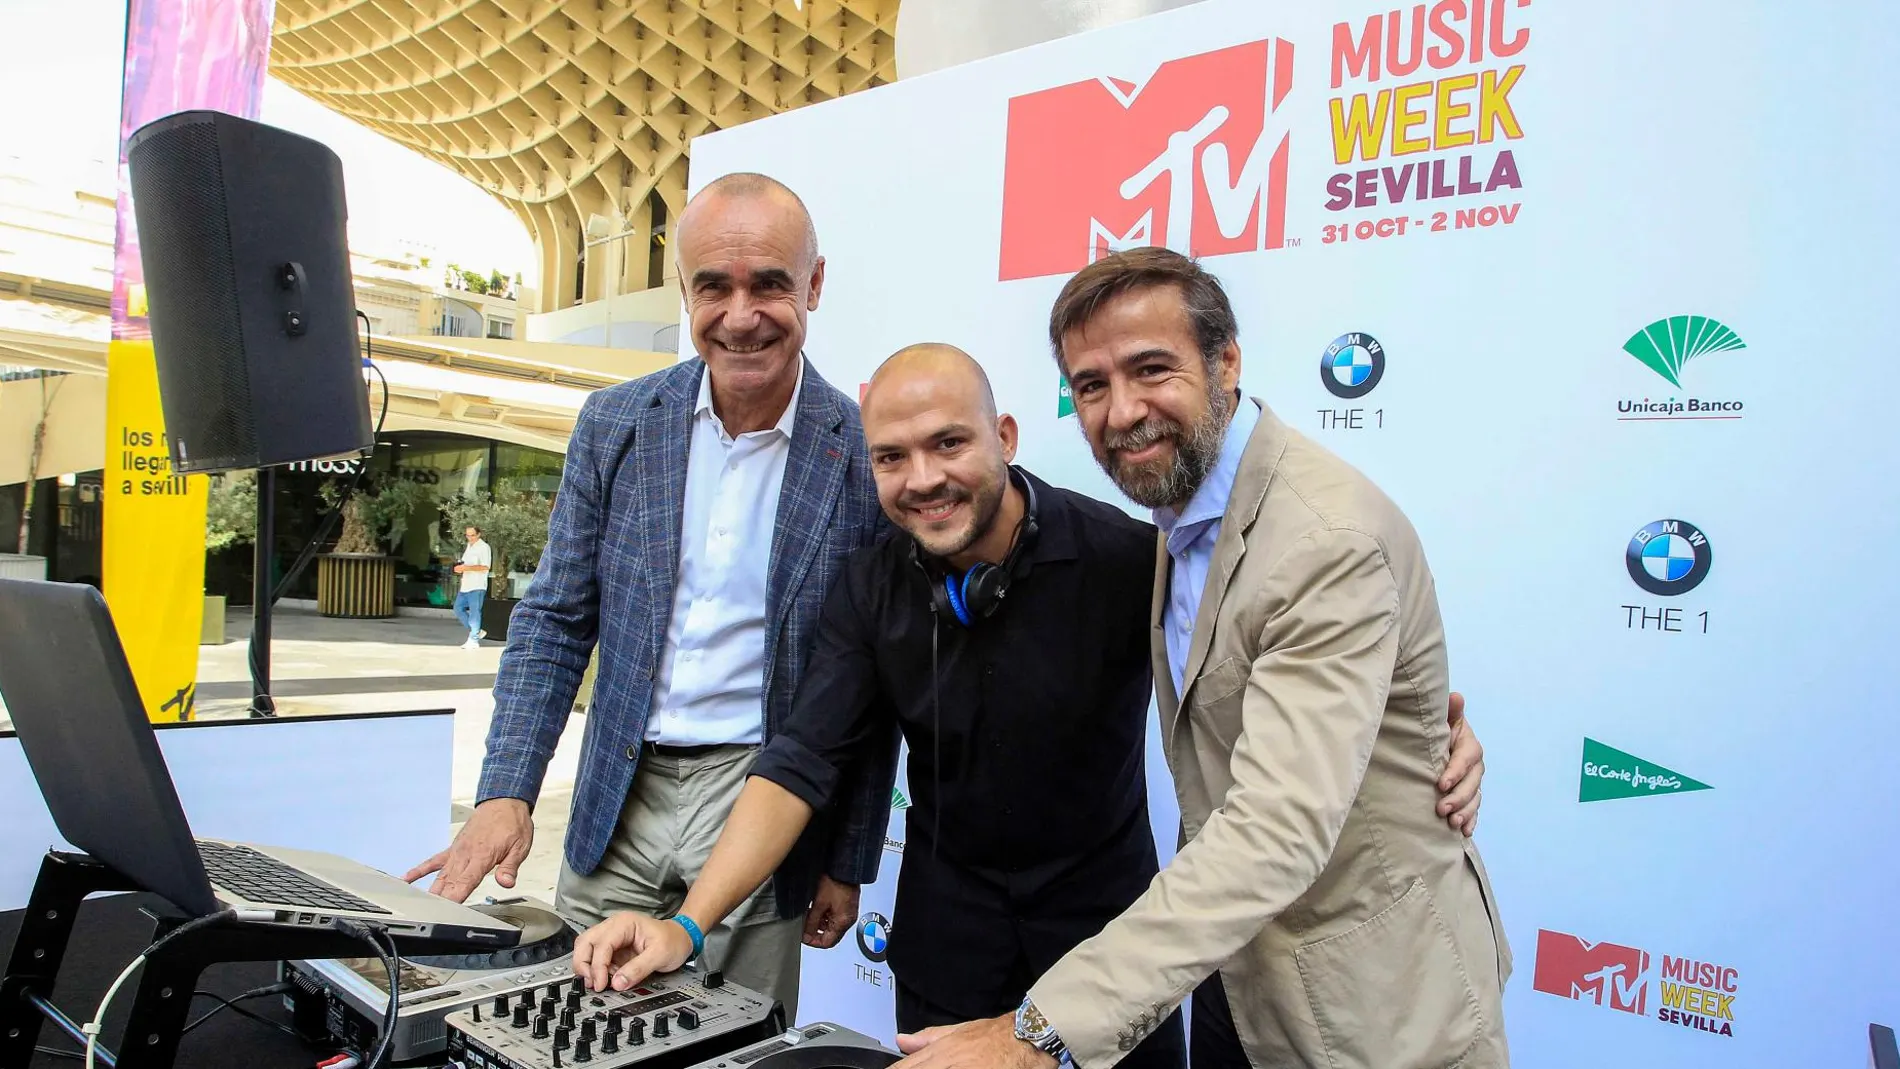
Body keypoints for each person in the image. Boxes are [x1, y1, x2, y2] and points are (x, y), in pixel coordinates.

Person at [565, 344, 1490, 1067]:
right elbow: (800, 760)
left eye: (949, 443)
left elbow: (1280, 662)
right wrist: (689, 923)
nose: (923, 476)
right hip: (946, 945)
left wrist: (1425, 734)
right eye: (892, 457)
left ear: (1005, 437)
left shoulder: (1130, 558)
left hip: (1115, 942)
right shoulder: (869, 584)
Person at [895, 247, 1512, 1069]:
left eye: (1152, 369)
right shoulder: (1178, 516)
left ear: (1227, 363)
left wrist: (1041, 1029)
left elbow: (1276, 828)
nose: (1121, 412)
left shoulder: (1322, 541)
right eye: (1090, 386)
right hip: (1234, 977)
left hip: (1371, 1006)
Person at [402, 172, 894, 1020]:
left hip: (762, 798)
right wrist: (504, 791)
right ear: (685, 292)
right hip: (615, 799)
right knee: (579, 1024)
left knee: (727, 1041)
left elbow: (870, 689)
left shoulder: (862, 454)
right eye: (715, 287)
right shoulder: (616, 423)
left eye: (770, 284)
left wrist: (846, 856)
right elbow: (556, 618)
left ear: (813, 285)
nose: (741, 315)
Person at [451, 525, 492, 648]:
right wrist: (461, 569)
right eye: (467, 535)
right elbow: (466, 564)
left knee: (475, 612)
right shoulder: (469, 546)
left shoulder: (484, 547)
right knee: (458, 608)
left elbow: (485, 567)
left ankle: (474, 640)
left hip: (477, 585)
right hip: (466, 585)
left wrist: (466, 568)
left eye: (472, 535)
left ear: (478, 534)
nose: (470, 538)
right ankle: (476, 632)